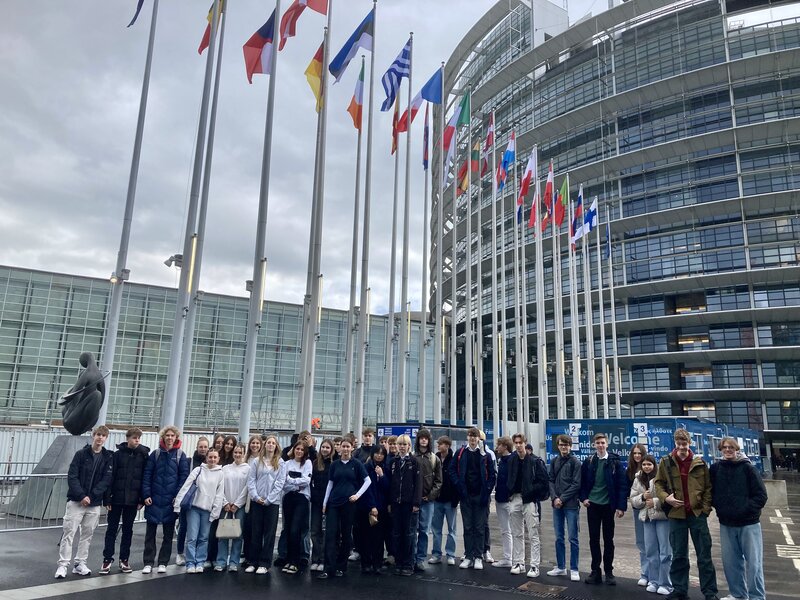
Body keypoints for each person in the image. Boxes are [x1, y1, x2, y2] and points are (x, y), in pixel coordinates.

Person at [654, 428, 719, 600]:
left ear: (690, 443)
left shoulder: (699, 463)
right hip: (676, 515)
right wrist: (665, 498)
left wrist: (704, 510)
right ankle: (680, 590)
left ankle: (710, 592)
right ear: (675, 443)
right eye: (679, 443)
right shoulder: (666, 462)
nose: (682, 446)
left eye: (685, 443)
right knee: (679, 555)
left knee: (704, 555)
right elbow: (658, 483)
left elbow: (708, 488)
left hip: (697, 515)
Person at [710, 437, 767, 600]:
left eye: (731, 447)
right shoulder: (715, 469)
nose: (728, 450)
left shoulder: (748, 469)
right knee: (731, 563)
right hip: (726, 523)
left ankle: (757, 596)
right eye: (724, 447)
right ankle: (738, 594)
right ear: (720, 449)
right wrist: (720, 506)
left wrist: (746, 509)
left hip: (749, 524)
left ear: (737, 449)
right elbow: (710, 492)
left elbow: (761, 495)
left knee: (754, 564)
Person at [54, 425, 113, 579]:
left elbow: (106, 480)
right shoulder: (81, 454)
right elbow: (72, 476)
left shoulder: (108, 458)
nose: (100, 438)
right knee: (69, 533)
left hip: (94, 503)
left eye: (103, 435)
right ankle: (63, 565)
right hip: (76, 501)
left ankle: (80, 563)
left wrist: (92, 497)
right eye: (98, 434)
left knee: (87, 534)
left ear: (106, 438)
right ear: (93, 436)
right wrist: (81, 496)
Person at [318, 436, 371, 579]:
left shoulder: (357, 464)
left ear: (352, 448)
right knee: (330, 535)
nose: (346, 449)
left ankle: (341, 567)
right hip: (334, 503)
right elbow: (330, 484)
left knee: (346, 535)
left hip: (349, 504)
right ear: (339, 448)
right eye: (343, 446)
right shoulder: (335, 464)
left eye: (348, 446)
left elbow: (367, 481)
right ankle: (328, 568)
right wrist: (325, 503)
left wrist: (357, 495)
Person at [579, 432, 627, 586]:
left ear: (607, 444)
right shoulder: (589, 462)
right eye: (597, 443)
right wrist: (584, 498)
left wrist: (620, 506)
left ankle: (609, 572)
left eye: (602, 443)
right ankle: (595, 571)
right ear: (594, 445)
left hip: (608, 507)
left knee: (608, 540)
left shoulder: (615, 463)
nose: (600, 445)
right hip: (592, 505)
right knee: (593, 539)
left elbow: (622, 485)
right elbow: (583, 482)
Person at [141, 425, 190, 574]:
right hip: (154, 499)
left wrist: (177, 496)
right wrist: (146, 494)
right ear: (163, 437)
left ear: (176, 438)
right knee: (150, 533)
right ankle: (148, 562)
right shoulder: (155, 455)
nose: (169, 438)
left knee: (168, 534)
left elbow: (183, 478)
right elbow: (147, 475)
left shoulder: (180, 455)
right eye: (167, 435)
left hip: (170, 501)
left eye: (172, 436)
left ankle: (163, 562)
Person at [101, 427, 150, 575]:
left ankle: (124, 559)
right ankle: (107, 559)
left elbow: (143, 478)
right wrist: (107, 497)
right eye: (134, 438)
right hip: (116, 499)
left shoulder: (143, 456)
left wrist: (141, 498)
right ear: (128, 438)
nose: (137, 441)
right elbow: (110, 477)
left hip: (133, 500)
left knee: (128, 531)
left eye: (138, 438)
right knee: (111, 530)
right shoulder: (116, 456)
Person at [450, 427, 496, 570]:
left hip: (481, 496)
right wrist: (459, 485)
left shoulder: (485, 455)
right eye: (470, 436)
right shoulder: (461, 453)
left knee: (480, 527)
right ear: (467, 438)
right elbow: (452, 470)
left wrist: (487, 492)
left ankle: (478, 557)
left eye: (474, 436)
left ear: (479, 438)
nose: (472, 439)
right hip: (466, 496)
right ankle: (469, 556)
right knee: (468, 527)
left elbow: (492, 475)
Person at [174, 448, 225, 573]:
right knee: (192, 537)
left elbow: (219, 494)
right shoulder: (198, 470)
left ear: (218, 459)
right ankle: (190, 563)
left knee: (203, 538)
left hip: (207, 510)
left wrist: (215, 512)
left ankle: (200, 562)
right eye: (210, 457)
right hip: (194, 508)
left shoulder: (220, 473)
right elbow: (186, 486)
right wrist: (177, 504)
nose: (212, 459)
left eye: (215, 457)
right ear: (206, 458)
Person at [507, 433, 549, 578]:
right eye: (516, 443)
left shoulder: (535, 461)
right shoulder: (512, 459)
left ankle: (535, 565)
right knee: (516, 533)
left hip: (530, 500)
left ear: (525, 443)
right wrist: (510, 492)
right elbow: (508, 477)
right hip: (515, 498)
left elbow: (543, 482)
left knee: (533, 533)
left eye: (520, 442)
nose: (518, 445)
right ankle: (519, 563)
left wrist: (531, 492)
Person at [630, 454, 673, 595]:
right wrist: (642, 497)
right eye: (644, 464)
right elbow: (633, 499)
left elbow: (669, 498)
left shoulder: (662, 477)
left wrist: (655, 502)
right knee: (650, 551)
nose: (646, 467)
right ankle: (653, 581)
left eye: (649, 464)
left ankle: (665, 583)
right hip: (647, 518)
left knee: (665, 552)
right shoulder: (638, 479)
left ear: (655, 465)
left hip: (662, 518)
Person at [271, 440, 313, 574]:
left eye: (302, 449)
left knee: (296, 529)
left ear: (305, 452)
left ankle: (295, 561)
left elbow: (306, 481)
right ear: (293, 450)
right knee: (288, 528)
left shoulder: (307, 463)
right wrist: (296, 483)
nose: (299, 451)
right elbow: (283, 482)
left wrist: (291, 480)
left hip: (302, 499)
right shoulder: (287, 464)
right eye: (297, 449)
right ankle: (287, 559)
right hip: (288, 498)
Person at [547, 434, 582, 582]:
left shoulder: (575, 462)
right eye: (561, 445)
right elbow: (551, 480)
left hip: (571, 505)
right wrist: (555, 498)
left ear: (570, 446)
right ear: (558, 446)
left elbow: (576, 484)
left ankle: (574, 568)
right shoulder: (554, 461)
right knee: (558, 537)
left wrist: (562, 498)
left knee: (573, 538)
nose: (564, 447)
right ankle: (561, 567)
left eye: (566, 445)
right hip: (557, 505)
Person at [246, 435, 282, 574]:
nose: (271, 445)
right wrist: (255, 496)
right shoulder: (256, 461)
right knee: (256, 531)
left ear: (276, 446)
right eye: (268, 442)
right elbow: (251, 480)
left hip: (272, 503)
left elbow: (279, 483)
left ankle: (264, 563)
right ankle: (253, 561)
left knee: (269, 533)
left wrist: (269, 499)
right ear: (265, 445)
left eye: (273, 443)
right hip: (257, 501)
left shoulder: (280, 462)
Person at [389, 434, 422, 576]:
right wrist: (390, 502)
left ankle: (408, 564)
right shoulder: (394, 462)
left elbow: (419, 484)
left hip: (409, 504)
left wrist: (416, 502)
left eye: (404, 444)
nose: (401, 447)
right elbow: (391, 484)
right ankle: (399, 561)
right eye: (399, 444)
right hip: (396, 503)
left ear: (409, 446)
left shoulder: (414, 462)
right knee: (397, 533)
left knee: (409, 534)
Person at [215, 442, 250, 572]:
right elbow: (220, 486)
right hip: (225, 506)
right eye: (236, 452)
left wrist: (237, 504)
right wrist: (225, 502)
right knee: (223, 534)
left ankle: (234, 562)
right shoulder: (225, 468)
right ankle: (221, 561)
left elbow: (247, 488)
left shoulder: (248, 469)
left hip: (238, 506)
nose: (237, 454)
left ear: (244, 453)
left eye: (240, 452)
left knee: (237, 535)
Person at [177, 436, 209, 566]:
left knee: (201, 531)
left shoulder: (211, 463)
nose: (203, 449)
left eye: (205, 447)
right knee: (184, 527)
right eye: (201, 446)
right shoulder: (189, 462)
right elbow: (183, 480)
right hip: (189, 501)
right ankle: (180, 553)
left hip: (203, 501)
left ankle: (198, 555)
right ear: (197, 447)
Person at [413, 429, 442, 570]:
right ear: (418, 440)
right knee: (413, 531)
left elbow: (438, 481)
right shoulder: (412, 457)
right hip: (414, 502)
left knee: (424, 531)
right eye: (421, 438)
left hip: (428, 501)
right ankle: (411, 557)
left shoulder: (434, 458)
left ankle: (420, 559)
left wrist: (430, 496)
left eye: (426, 438)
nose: (423, 440)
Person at [429, 435, 458, 566]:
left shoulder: (454, 459)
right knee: (436, 529)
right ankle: (436, 554)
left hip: (450, 499)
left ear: (447, 446)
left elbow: (456, 480)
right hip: (437, 500)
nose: (438, 446)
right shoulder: (434, 458)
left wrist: (456, 498)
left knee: (451, 530)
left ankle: (450, 554)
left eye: (441, 444)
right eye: (438, 444)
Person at [363, 446, 391, 573]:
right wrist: (371, 505)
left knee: (379, 538)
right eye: (377, 453)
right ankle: (366, 563)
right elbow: (366, 488)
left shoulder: (386, 468)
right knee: (367, 536)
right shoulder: (367, 467)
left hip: (382, 507)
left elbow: (388, 488)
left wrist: (382, 475)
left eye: (382, 454)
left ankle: (377, 563)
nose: (379, 456)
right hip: (369, 506)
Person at [309, 439, 334, 572]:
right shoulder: (315, 463)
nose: (325, 449)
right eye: (323, 447)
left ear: (331, 450)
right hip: (316, 502)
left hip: (329, 503)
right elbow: (310, 481)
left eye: (327, 448)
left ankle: (324, 560)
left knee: (326, 532)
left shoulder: (334, 464)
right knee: (314, 530)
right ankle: (315, 559)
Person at [627, 443, 649, 586]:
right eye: (634, 453)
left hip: (651, 509)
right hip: (637, 509)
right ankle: (645, 573)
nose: (637, 456)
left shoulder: (650, 468)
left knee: (653, 543)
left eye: (639, 453)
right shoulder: (629, 471)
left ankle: (655, 574)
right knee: (641, 542)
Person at [491, 436, 514, 570]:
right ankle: (509, 557)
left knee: (510, 530)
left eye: (499, 445)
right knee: (506, 530)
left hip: (508, 499)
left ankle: (510, 558)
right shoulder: (501, 460)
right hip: (500, 498)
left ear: (505, 446)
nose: (497, 447)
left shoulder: (511, 460)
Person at [241, 435, 262, 568]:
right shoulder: (245, 459)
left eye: (257, 443)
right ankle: (246, 554)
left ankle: (255, 556)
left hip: (256, 498)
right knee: (246, 529)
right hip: (244, 497)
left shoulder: (263, 460)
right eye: (252, 443)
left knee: (256, 529)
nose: (254, 445)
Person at [480, 430, 497, 564]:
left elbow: (493, 474)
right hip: (471, 494)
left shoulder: (489, 454)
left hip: (484, 494)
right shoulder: (466, 452)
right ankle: (473, 550)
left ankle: (486, 550)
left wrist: (488, 491)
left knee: (484, 522)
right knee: (471, 524)